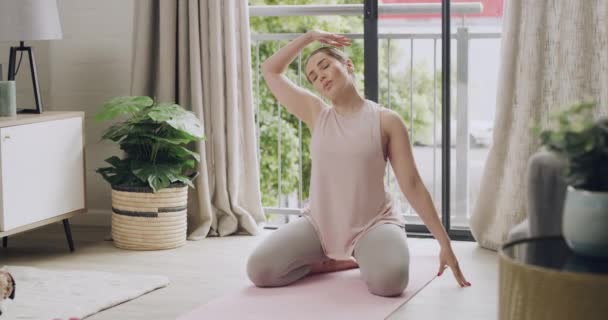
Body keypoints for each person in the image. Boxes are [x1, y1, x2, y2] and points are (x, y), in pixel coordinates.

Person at [247, 30, 471, 297]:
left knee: (390, 282)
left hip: (373, 225)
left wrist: (444, 244)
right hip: (320, 225)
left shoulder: (387, 121)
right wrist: (310, 37)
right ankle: (339, 260)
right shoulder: (316, 113)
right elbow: (270, 70)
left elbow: (412, 184)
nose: (321, 77)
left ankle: (365, 254)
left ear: (347, 65)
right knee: (259, 270)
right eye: (314, 78)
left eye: (325, 66)